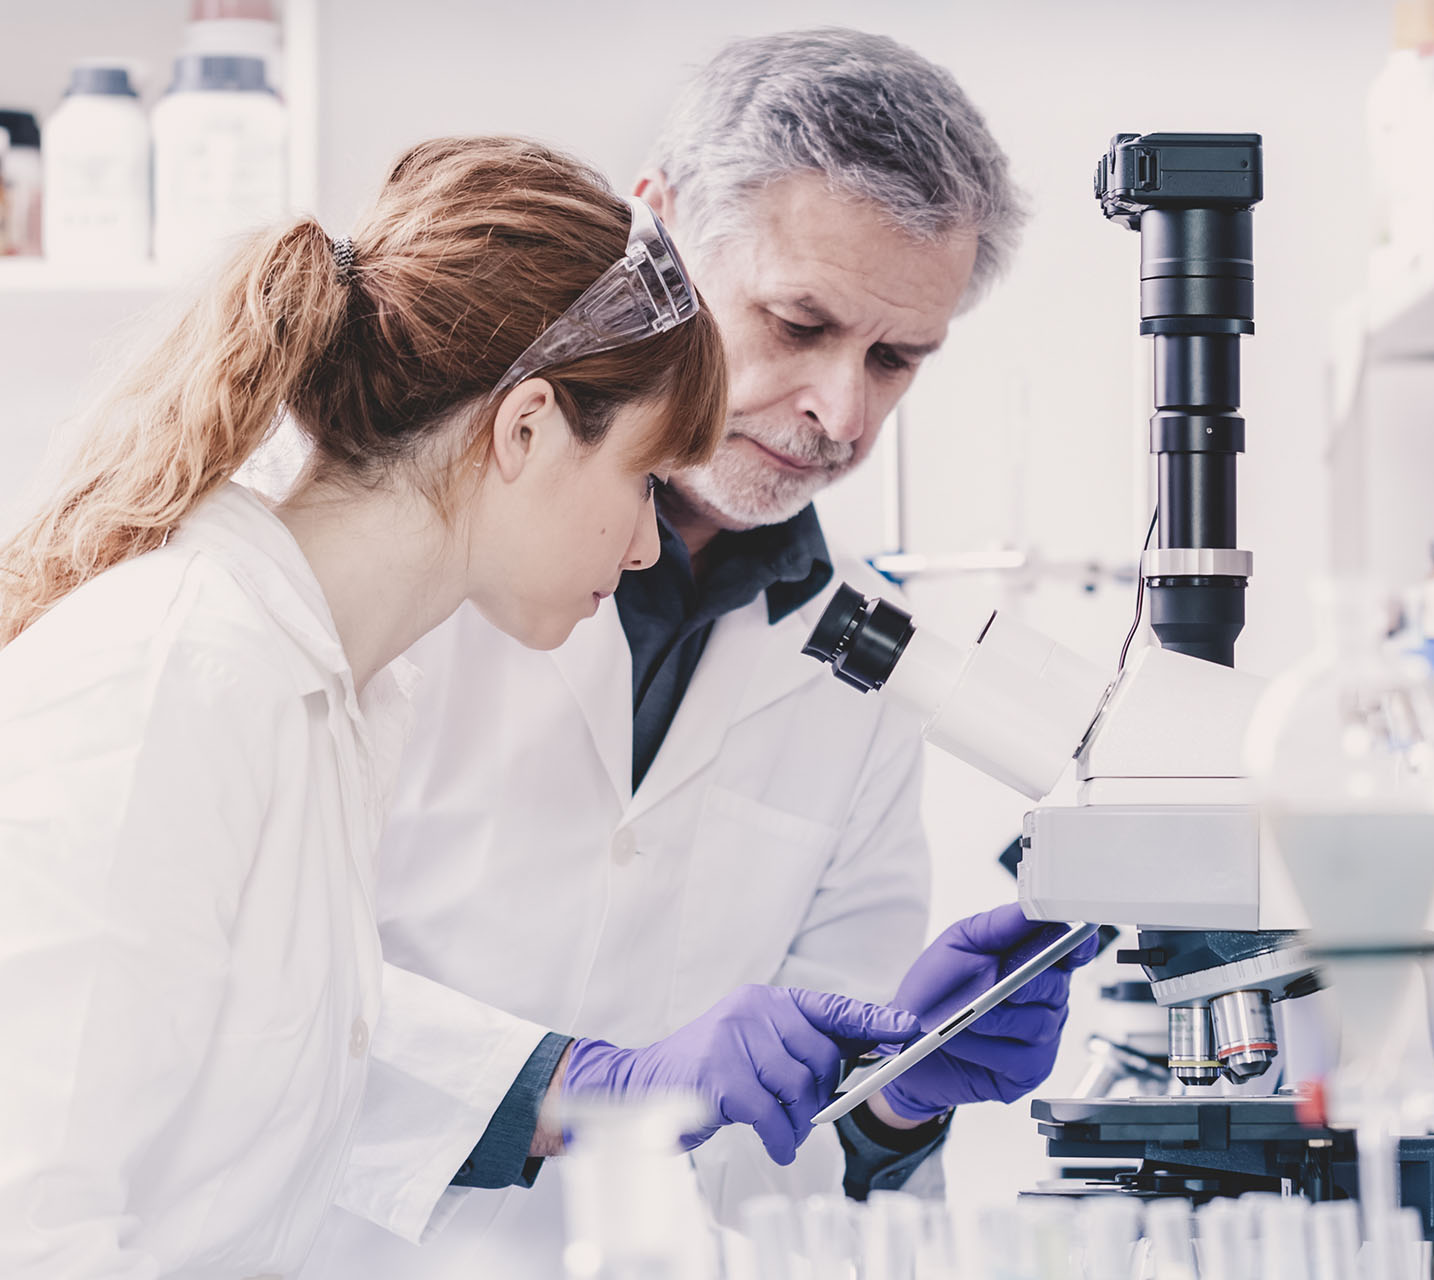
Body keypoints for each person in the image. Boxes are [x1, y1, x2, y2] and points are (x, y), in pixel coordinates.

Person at [0, 134, 942, 1278]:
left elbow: (270, 1075)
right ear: (527, 426)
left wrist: (623, 1088)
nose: (650, 541)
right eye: (643, 477)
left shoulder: (329, 703)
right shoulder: (174, 674)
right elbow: (31, 1218)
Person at [307, 27, 1065, 1276]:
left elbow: (793, 1153)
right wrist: (575, 1083)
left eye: (894, 358)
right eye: (799, 322)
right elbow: (243, 992)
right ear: (654, 227)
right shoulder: (412, 537)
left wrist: (898, 1090)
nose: (842, 411)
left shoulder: (867, 664)